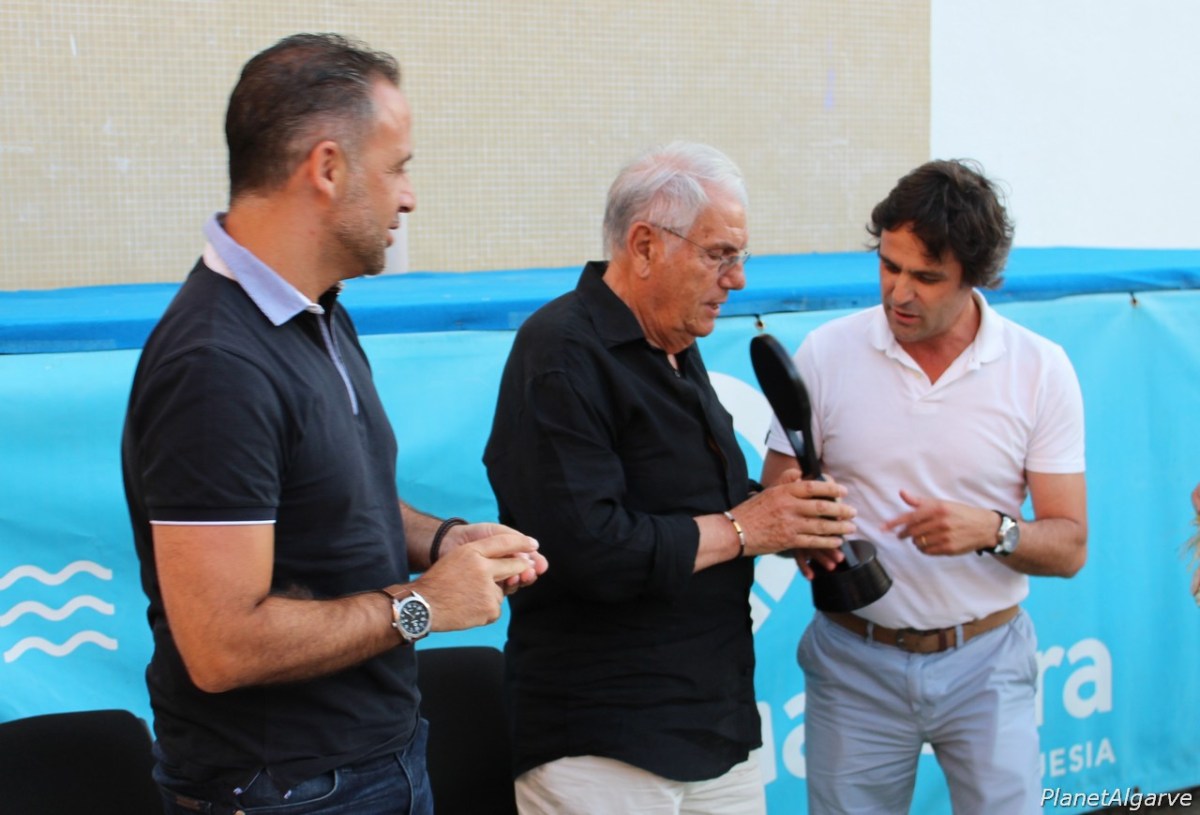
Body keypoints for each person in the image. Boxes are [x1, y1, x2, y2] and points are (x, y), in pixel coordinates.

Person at [121, 33, 546, 815]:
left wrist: (446, 542)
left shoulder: (317, 314)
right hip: (285, 790)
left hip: (373, 762)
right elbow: (221, 646)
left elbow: (342, 504)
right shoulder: (215, 364)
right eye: (398, 166)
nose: (408, 196)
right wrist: (424, 603)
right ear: (326, 168)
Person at [483, 141, 858, 814]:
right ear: (645, 246)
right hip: (602, 743)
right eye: (719, 254)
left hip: (716, 726)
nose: (737, 278)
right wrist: (746, 527)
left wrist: (785, 520)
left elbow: (687, 505)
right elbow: (588, 548)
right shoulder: (561, 351)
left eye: (741, 256)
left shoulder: (675, 344)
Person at [761, 159, 1088, 814]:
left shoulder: (1040, 368)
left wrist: (991, 531)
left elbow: (1070, 546)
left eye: (927, 277)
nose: (899, 293)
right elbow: (777, 500)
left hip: (988, 662)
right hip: (854, 660)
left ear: (975, 276)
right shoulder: (826, 351)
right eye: (889, 266)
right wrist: (805, 531)